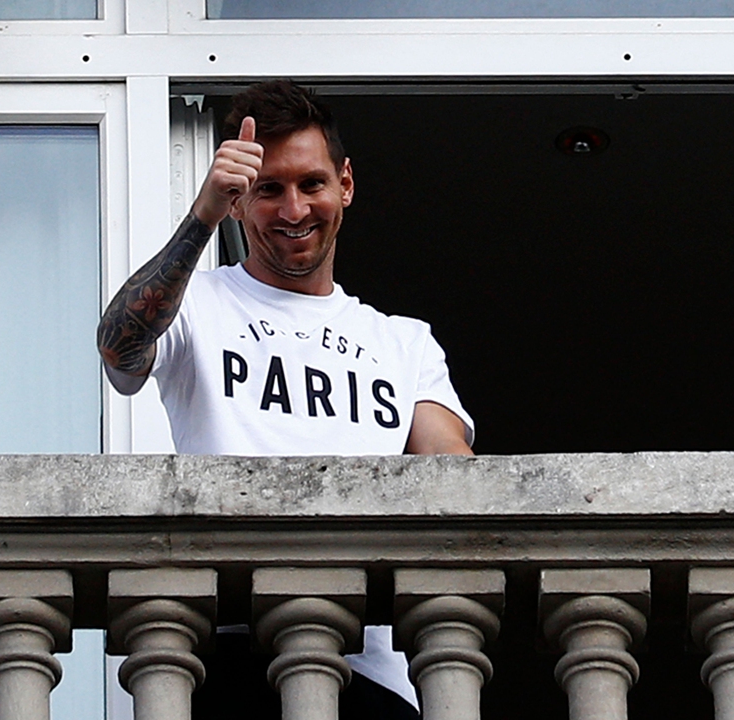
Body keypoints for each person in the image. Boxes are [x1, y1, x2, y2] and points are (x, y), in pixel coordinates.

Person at [96, 80, 474, 718]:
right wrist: (203, 216)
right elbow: (118, 346)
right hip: (228, 658)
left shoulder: (405, 343)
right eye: (267, 189)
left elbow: (452, 473)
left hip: (372, 673)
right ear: (241, 200)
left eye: (311, 184)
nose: (294, 209)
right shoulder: (200, 304)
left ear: (345, 184)